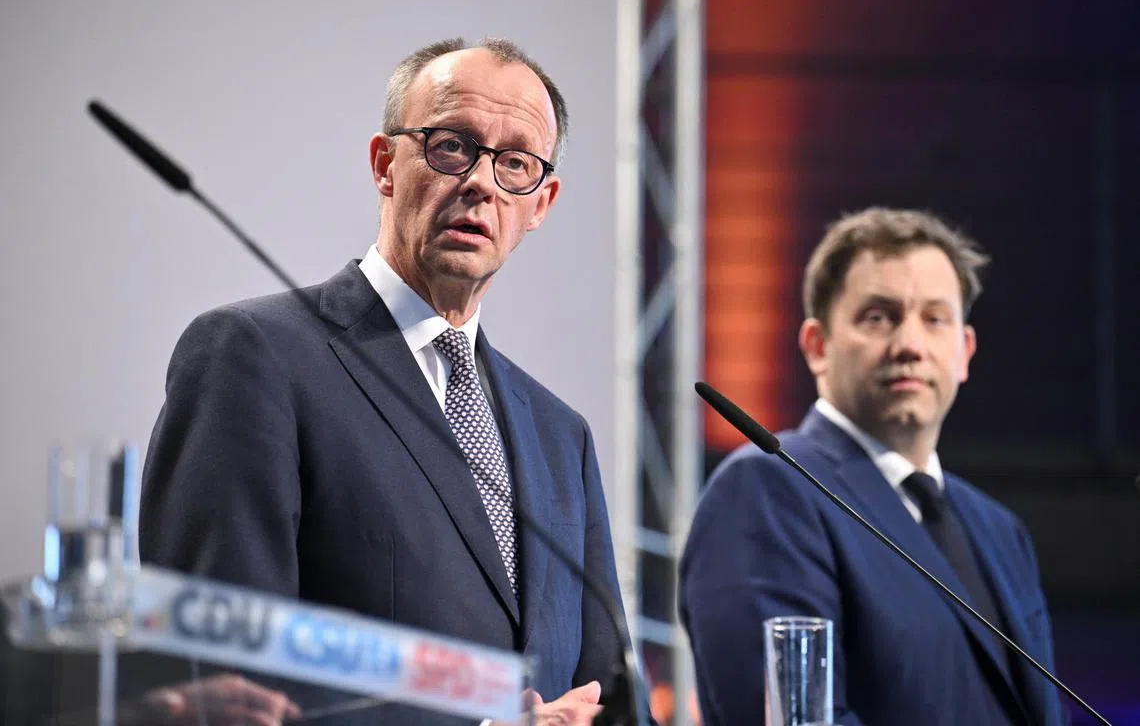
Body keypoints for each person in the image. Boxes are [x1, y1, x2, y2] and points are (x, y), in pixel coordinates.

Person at [140, 37, 629, 726]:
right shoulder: (255, 357)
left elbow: (612, 696)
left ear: (540, 203)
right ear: (384, 164)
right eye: (452, 146)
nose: (480, 182)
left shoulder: (560, 437)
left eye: (515, 163)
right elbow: (214, 682)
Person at [679, 208, 1066, 725]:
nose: (909, 345)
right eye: (879, 317)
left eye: (934, 319)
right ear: (817, 346)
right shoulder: (768, 489)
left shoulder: (1000, 530)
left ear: (964, 351)